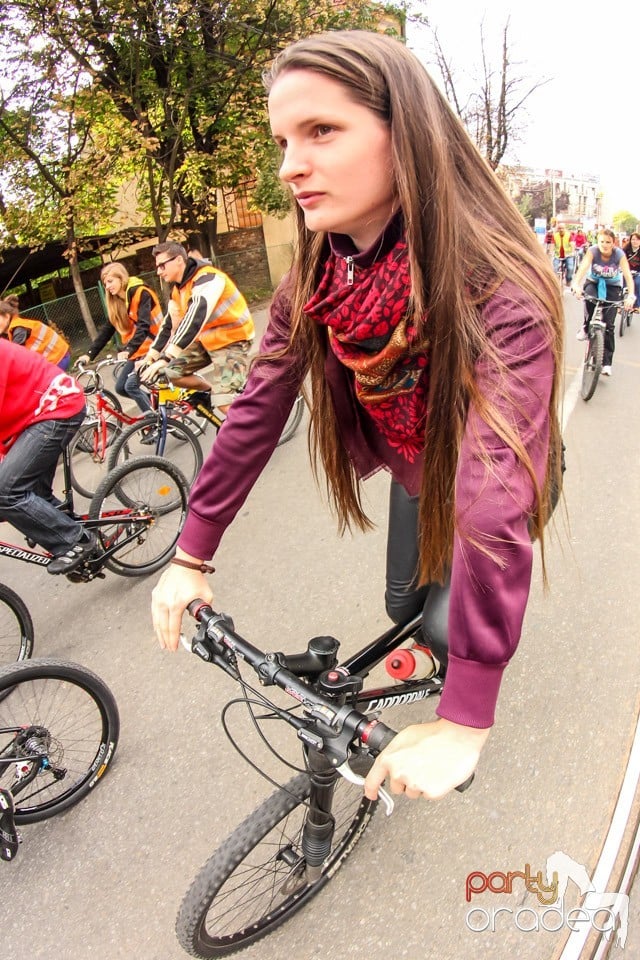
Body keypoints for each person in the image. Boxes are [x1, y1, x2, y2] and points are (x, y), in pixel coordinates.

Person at [150, 30, 564, 802]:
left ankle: (469, 652)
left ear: (404, 132)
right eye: (283, 140)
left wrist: (466, 721)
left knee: (447, 629)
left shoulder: (500, 285)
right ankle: (449, 634)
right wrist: (190, 555)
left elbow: (491, 491)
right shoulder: (317, 271)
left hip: (495, 469)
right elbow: (255, 411)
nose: (289, 166)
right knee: (406, 606)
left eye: (321, 132)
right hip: (422, 464)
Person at [0, 339, 98, 574]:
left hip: (56, 407)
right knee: (28, 496)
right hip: (33, 414)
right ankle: (80, 544)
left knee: (6, 490)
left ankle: (76, 540)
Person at [139, 243, 255, 414]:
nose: (158, 272)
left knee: (223, 402)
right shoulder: (178, 290)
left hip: (233, 339)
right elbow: (168, 325)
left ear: (179, 260)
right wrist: (151, 357)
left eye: (162, 265)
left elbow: (194, 318)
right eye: (157, 267)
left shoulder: (208, 279)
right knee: (170, 373)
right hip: (207, 341)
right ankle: (210, 394)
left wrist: (167, 356)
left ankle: (253, 437)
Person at [77, 262, 162, 415]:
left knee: (130, 386)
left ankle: (154, 422)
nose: (108, 287)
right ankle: (156, 406)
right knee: (120, 387)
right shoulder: (118, 302)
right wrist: (89, 355)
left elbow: (144, 326)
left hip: (155, 345)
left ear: (121, 278)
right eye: (105, 284)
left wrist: (128, 350)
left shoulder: (141, 293)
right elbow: (107, 331)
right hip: (137, 349)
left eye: (110, 281)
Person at [571, 228, 635, 376]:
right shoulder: (592, 251)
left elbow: (627, 276)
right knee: (589, 299)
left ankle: (606, 363)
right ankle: (586, 327)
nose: (604, 245)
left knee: (609, 325)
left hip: (613, 286)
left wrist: (631, 295)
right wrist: (575, 284)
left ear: (613, 243)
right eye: (602, 241)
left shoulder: (619, 254)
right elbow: (583, 268)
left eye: (608, 242)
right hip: (593, 282)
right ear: (597, 242)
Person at [0, 295, 72, 370]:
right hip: (58, 355)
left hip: (56, 358)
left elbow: (14, 355)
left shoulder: (18, 329)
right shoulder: (15, 327)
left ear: (7, 316)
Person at [622, 232, 640, 309]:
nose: (635, 241)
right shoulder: (626, 249)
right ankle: (621, 304)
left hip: (638, 273)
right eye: (633, 239)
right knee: (622, 285)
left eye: (637, 239)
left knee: (637, 283)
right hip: (627, 272)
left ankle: (636, 305)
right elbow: (620, 259)